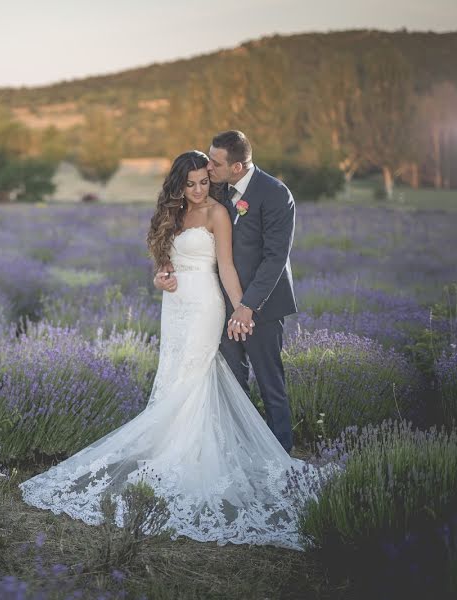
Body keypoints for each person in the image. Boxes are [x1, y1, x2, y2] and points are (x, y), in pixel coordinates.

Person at [19, 150, 317, 550]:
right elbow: (164, 265)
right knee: (173, 373)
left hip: (205, 304)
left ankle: (192, 457)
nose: (197, 190)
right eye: (190, 183)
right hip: (174, 307)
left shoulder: (217, 213)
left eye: (204, 182)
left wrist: (243, 310)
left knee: (196, 375)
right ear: (177, 184)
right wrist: (161, 280)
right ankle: (168, 449)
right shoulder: (170, 214)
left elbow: (226, 266)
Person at [157, 131, 297, 453]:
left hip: (261, 306)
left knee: (270, 385)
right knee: (232, 383)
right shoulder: (216, 186)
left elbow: (275, 258)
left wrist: (247, 306)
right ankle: (239, 450)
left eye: (215, 163)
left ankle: (281, 458)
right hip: (218, 305)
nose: (208, 168)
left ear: (236, 167)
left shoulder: (275, 194)